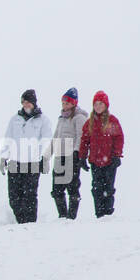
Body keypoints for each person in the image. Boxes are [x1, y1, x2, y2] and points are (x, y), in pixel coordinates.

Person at [0, 89, 53, 224]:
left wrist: (44, 158)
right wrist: (3, 158)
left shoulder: (43, 120)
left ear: (33, 103)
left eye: (28, 102)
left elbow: (46, 140)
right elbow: (8, 138)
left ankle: (30, 225)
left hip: (32, 163)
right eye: (23, 102)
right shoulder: (15, 119)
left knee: (29, 196)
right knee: (14, 198)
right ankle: (22, 223)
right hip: (15, 163)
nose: (25, 105)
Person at [79, 90, 124, 218]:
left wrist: (117, 155)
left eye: (101, 104)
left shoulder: (112, 121)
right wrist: (82, 157)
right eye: (96, 104)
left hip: (110, 161)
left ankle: (108, 214)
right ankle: (99, 214)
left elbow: (119, 138)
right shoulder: (90, 123)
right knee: (96, 189)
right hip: (95, 161)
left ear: (106, 105)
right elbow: (84, 140)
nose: (98, 106)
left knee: (108, 189)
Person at [48, 87, 89, 219]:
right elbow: (55, 138)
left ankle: (71, 217)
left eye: (67, 103)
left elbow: (81, 136)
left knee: (72, 187)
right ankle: (62, 215)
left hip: (72, 157)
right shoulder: (61, 119)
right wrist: (46, 156)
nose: (65, 106)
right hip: (60, 157)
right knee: (57, 189)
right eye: (63, 103)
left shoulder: (78, 118)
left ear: (74, 103)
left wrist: (77, 152)